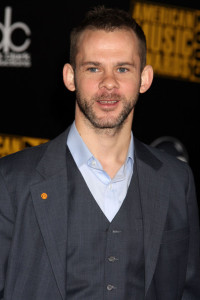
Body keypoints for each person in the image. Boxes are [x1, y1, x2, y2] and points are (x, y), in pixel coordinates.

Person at [0, 5, 200, 300]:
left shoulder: (175, 180)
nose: (109, 83)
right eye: (93, 68)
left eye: (122, 68)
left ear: (144, 79)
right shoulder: (11, 181)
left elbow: (187, 289)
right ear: (70, 77)